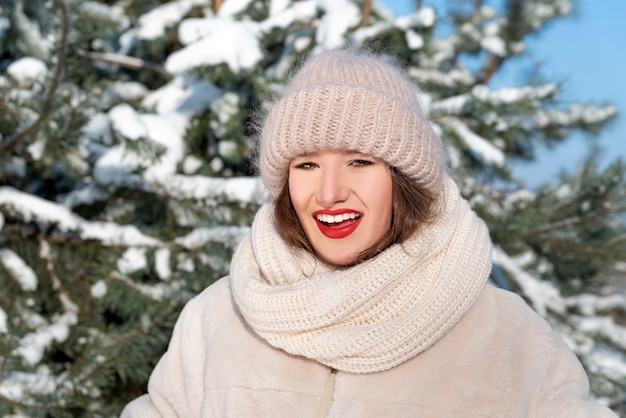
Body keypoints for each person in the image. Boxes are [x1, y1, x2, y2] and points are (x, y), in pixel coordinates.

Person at [121, 50, 617, 417]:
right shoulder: (218, 317)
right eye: (308, 164)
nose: (329, 191)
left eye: (360, 162)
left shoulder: (507, 334)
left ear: (403, 180)